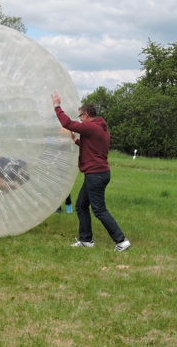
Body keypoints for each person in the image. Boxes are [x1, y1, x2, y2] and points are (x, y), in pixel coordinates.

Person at [51, 91, 131, 252]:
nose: (80, 119)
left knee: (99, 209)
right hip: (96, 174)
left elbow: (67, 123)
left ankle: (121, 240)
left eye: (80, 116)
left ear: (86, 115)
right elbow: (93, 148)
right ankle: (86, 240)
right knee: (81, 205)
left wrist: (57, 106)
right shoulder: (100, 128)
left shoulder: (91, 127)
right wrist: (75, 140)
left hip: (96, 175)